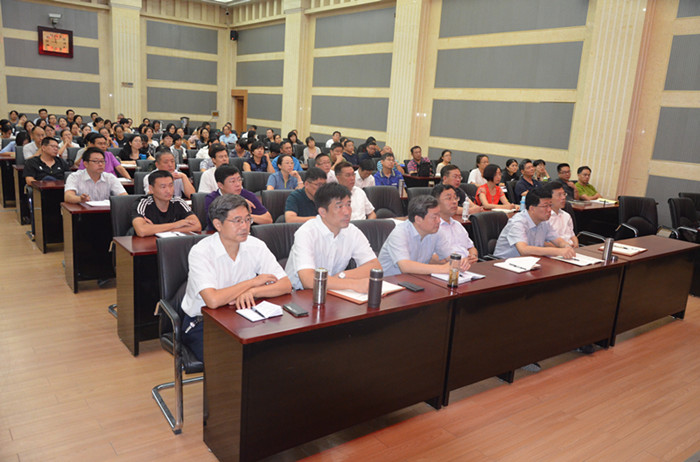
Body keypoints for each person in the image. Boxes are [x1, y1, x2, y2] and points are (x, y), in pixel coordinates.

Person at [181, 194, 292, 362]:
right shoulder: (201, 252)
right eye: (237, 221)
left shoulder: (255, 245)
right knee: (234, 361)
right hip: (203, 323)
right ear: (218, 224)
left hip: (243, 316)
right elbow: (213, 300)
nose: (245, 226)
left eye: (247, 220)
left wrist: (253, 292)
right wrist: (253, 282)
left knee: (278, 350)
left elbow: (285, 285)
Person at [285, 183, 381, 292]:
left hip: (333, 290)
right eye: (339, 206)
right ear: (322, 212)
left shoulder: (352, 231)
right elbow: (308, 280)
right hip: (299, 293)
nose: (347, 212)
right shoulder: (306, 233)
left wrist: (342, 276)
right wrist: (353, 284)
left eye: (348, 204)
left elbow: (375, 266)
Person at [378, 194, 471, 276]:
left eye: (439, 216)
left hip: (416, 280)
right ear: (418, 219)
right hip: (390, 283)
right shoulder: (399, 233)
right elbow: (405, 266)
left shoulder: (436, 231)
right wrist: (443, 268)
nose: (439, 221)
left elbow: (449, 255)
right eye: (434, 217)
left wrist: (460, 261)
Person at [493, 187, 576, 259]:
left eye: (550, 205)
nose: (549, 210)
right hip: (504, 264)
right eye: (545, 206)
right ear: (532, 209)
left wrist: (566, 246)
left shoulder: (544, 221)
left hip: (530, 263)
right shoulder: (518, 222)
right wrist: (558, 251)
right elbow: (524, 250)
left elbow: (558, 241)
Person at [131, 170, 201, 237]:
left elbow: (197, 226)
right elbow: (141, 231)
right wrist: (177, 224)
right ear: (151, 189)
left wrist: (153, 229)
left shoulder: (178, 202)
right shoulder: (143, 203)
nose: (168, 191)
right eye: (163, 187)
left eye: (171, 185)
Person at [204, 166, 272, 230]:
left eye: (239, 180)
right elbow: (219, 223)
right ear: (220, 185)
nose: (238, 184)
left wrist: (247, 216)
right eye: (232, 181)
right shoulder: (212, 199)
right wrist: (239, 203)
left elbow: (268, 220)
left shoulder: (248, 195)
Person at [432, 184, 479, 263]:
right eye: (449, 198)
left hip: (468, 266)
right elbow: (430, 257)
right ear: (436, 203)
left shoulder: (457, 225)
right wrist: (456, 262)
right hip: (447, 268)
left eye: (455, 198)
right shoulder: (431, 228)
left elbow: (471, 247)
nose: (454, 202)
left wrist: (473, 256)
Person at [545, 181, 578, 247]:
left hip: (570, 249)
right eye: (559, 195)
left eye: (564, 194)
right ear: (549, 198)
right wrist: (563, 248)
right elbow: (543, 242)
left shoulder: (566, 215)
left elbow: (572, 236)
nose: (563, 197)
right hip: (555, 250)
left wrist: (576, 244)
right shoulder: (544, 218)